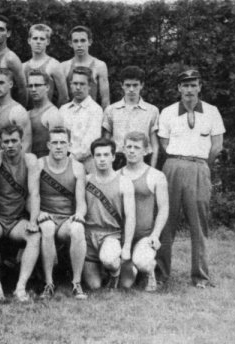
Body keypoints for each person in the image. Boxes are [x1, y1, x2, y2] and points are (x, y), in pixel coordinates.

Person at [156, 69, 224, 289]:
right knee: (167, 222)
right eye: (185, 85)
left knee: (199, 223)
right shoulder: (167, 112)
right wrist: (180, 159)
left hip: (199, 167)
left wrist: (202, 164)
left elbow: (217, 146)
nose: (189, 90)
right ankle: (161, 273)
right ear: (179, 88)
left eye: (193, 85)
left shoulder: (212, 111)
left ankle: (200, 277)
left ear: (200, 87)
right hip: (173, 166)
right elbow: (164, 144)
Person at [0, 125, 41, 302]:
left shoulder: (30, 160)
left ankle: (20, 287)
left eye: (14, 140)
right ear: (1, 142)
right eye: (6, 141)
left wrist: (32, 221)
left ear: (21, 142)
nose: (10, 145)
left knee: (34, 236)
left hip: (16, 220)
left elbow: (34, 193)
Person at [28, 126, 88, 299]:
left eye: (63, 142)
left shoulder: (77, 167)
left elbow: (81, 202)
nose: (59, 147)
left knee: (77, 229)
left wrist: (79, 215)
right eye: (55, 143)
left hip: (66, 219)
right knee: (46, 227)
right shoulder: (39, 165)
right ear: (48, 145)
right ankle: (49, 283)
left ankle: (76, 283)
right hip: (46, 215)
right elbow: (33, 195)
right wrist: (38, 213)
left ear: (69, 145)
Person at [82, 138, 136, 290]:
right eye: (98, 155)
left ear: (113, 157)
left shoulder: (124, 182)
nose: (102, 159)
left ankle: (116, 271)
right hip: (88, 236)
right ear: (93, 158)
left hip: (111, 235)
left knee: (109, 260)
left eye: (106, 155)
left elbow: (131, 217)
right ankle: (103, 270)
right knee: (94, 286)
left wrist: (126, 247)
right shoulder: (85, 181)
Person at [119, 132, 169, 291]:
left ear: (146, 150)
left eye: (136, 147)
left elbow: (163, 208)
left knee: (142, 262)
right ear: (123, 149)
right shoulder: (116, 175)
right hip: (120, 235)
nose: (132, 151)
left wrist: (155, 234)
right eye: (129, 147)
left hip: (144, 235)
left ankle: (149, 270)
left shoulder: (156, 176)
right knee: (120, 278)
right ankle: (127, 269)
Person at [102, 66, 160, 170]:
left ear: (142, 85)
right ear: (122, 85)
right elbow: (106, 141)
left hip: (143, 159)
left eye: (135, 85)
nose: (131, 89)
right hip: (118, 160)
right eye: (128, 85)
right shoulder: (111, 110)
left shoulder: (152, 110)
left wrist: (152, 169)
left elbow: (154, 144)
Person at [59, 66, 104, 171]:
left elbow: (90, 142)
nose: (78, 87)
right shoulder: (63, 110)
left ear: (89, 86)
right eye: (75, 83)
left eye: (82, 84)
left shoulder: (95, 110)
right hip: (63, 163)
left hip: (86, 166)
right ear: (70, 85)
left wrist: (70, 160)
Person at [61, 25, 110, 109]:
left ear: (89, 42)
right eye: (76, 41)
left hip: (91, 114)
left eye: (83, 40)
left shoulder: (99, 65)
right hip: (70, 114)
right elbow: (63, 98)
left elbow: (105, 99)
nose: (79, 45)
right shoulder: (64, 66)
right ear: (70, 43)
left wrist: (104, 120)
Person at [0, 69, 32, 155]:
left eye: (1, 83)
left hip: (15, 162)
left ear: (10, 84)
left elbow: (27, 144)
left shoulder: (17, 111)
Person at [22, 23, 68, 107]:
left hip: (47, 115)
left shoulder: (53, 65)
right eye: (35, 38)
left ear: (47, 42)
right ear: (29, 40)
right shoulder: (23, 66)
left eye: (42, 39)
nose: (38, 42)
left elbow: (64, 97)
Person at [0, 15, 27, 106]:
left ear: (8, 33)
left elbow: (22, 89)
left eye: (1, 29)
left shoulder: (10, 58)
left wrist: (20, 111)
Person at [26, 70, 64, 158]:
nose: (33, 89)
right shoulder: (27, 113)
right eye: (30, 86)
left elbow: (57, 149)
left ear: (47, 87)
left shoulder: (53, 114)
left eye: (37, 85)